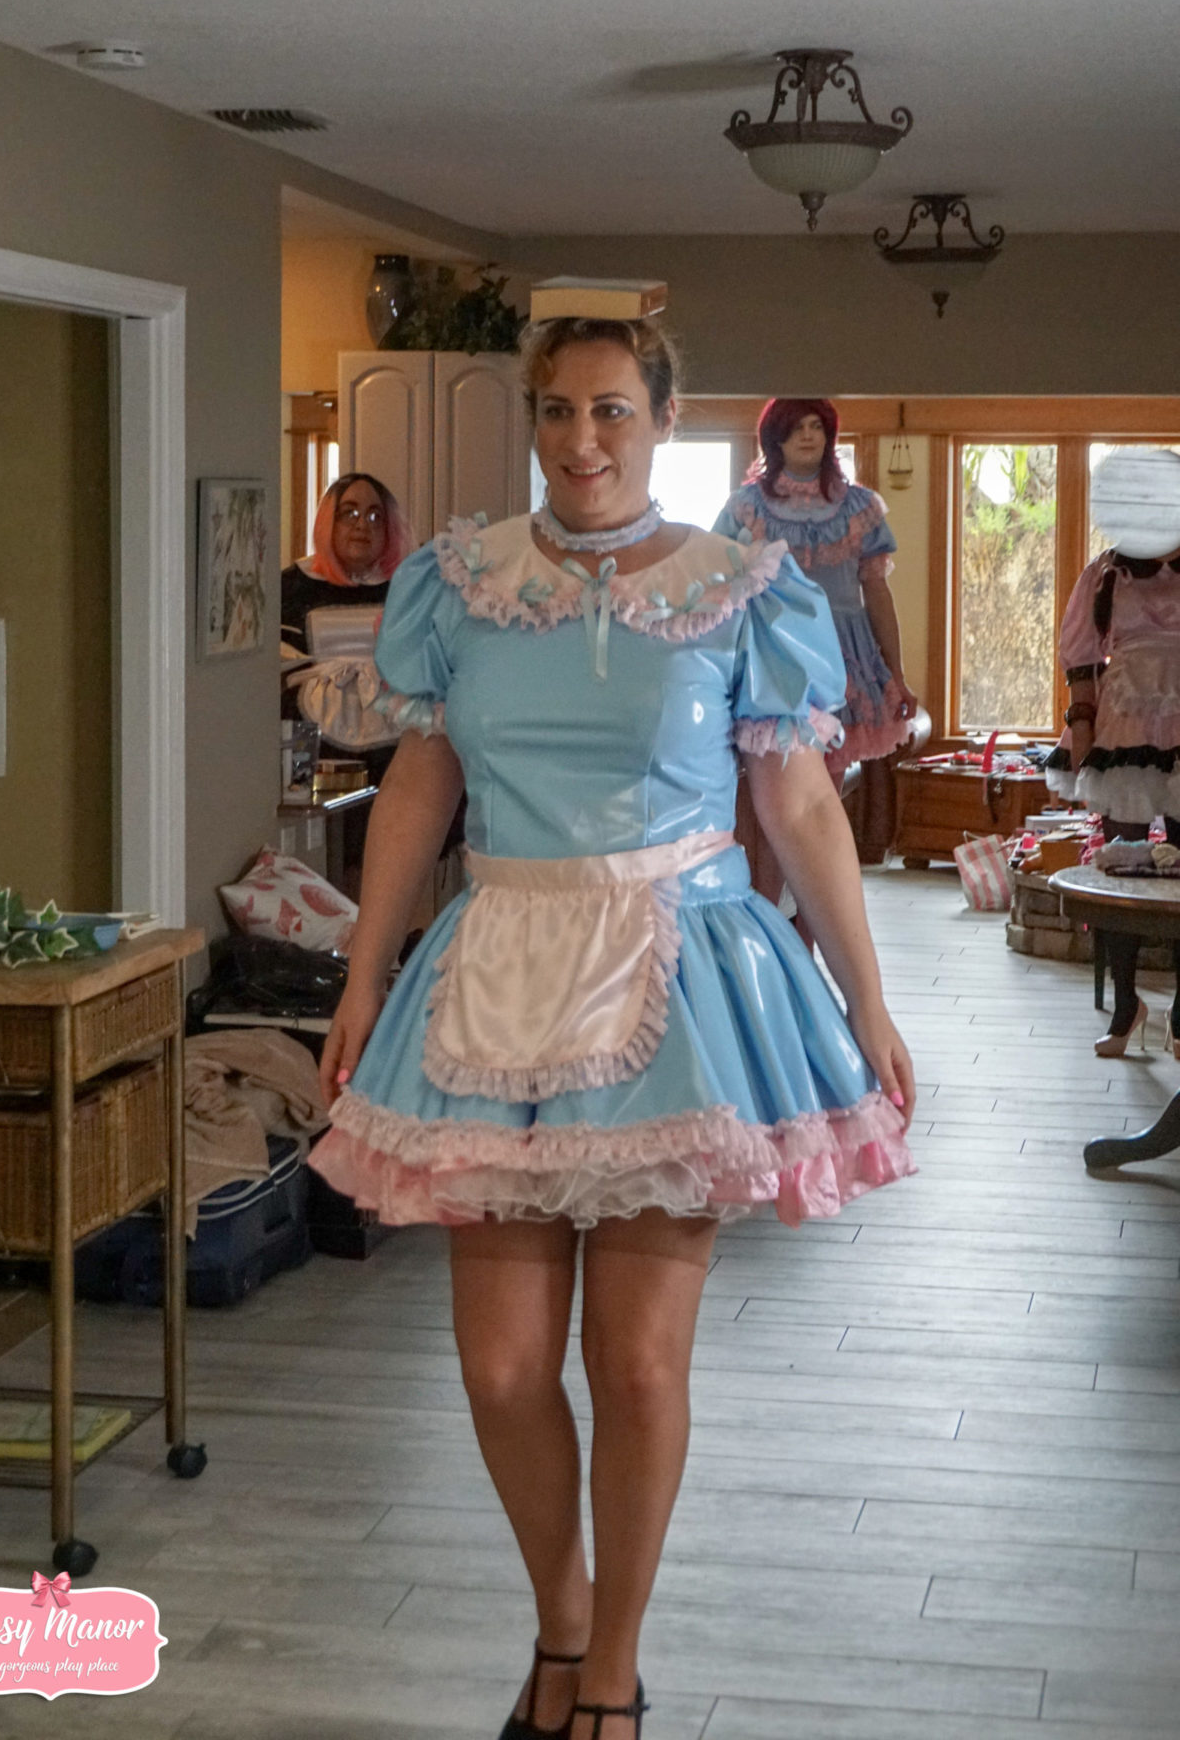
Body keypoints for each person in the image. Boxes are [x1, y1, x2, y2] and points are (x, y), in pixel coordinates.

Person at [311, 318, 916, 1740]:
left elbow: (798, 802)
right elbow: (421, 782)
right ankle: (563, 1617)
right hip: (497, 971)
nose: (580, 440)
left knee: (636, 1366)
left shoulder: (738, 586)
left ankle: (614, 1668)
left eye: (609, 412)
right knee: (501, 1366)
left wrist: (868, 996)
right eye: (556, 411)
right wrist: (362, 970)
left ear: (661, 418)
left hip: (679, 977)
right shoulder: (462, 584)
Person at [713, 399, 918, 941]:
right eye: (796, 427)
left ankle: (805, 947)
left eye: (817, 427)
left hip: (842, 668)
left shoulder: (859, 508)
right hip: (770, 663)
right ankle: (765, 941)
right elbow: (720, 589)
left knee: (817, 812)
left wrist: (896, 673)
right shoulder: (746, 508)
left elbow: (877, 593)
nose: (808, 436)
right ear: (773, 439)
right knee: (765, 814)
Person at [1046, 506, 1180, 1058]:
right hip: (1124, 722)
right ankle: (1127, 1005)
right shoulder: (1105, 573)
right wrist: (1081, 729)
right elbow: (1081, 660)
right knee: (1120, 872)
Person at [280, 472, 412, 656]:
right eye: (350, 513)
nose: (362, 525)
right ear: (328, 521)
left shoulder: (407, 590)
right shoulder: (291, 587)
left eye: (375, 516)